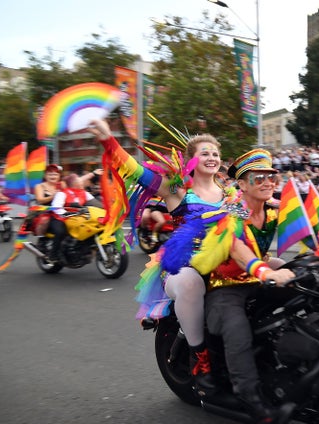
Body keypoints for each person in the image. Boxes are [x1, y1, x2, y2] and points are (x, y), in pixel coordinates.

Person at [87, 118, 227, 396]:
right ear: (190, 160)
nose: (212, 157)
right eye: (205, 152)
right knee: (190, 284)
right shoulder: (176, 191)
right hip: (183, 269)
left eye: (215, 153)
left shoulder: (231, 193)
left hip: (224, 267)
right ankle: (200, 359)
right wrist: (108, 140)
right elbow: (134, 170)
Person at [189, 149, 296, 424]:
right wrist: (266, 272)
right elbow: (237, 248)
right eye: (257, 177)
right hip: (227, 286)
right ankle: (249, 396)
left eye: (271, 176)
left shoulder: (275, 209)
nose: (267, 181)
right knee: (236, 327)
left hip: (260, 280)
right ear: (243, 184)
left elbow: (314, 226)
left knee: (306, 295)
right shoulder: (233, 211)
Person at [48, 173, 101, 262]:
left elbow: (95, 203)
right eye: (79, 181)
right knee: (61, 232)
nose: (82, 183)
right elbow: (56, 207)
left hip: (76, 218)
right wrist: (65, 213)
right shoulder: (62, 193)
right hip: (59, 218)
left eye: (81, 182)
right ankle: (53, 255)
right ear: (73, 183)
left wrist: (106, 209)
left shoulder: (84, 193)